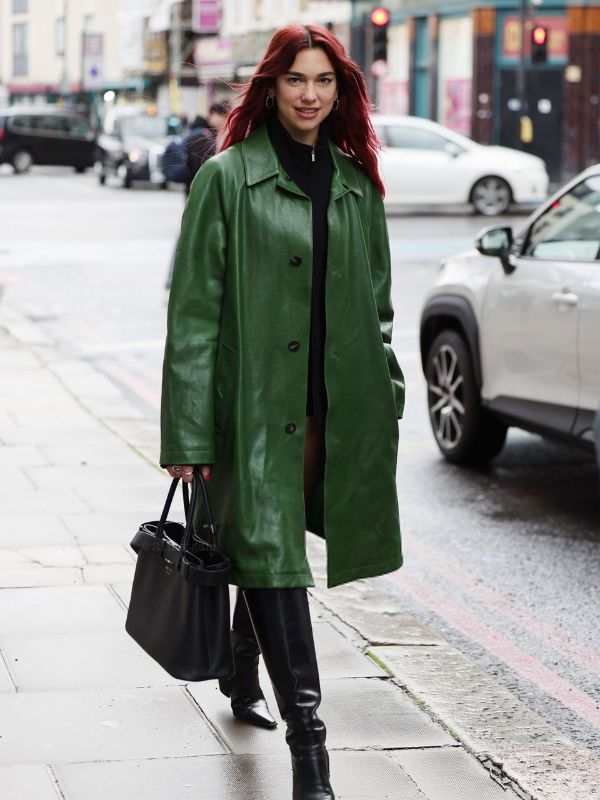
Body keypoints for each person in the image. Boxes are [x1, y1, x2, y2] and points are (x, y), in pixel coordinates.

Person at [160, 24, 405, 800]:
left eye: (324, 82)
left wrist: (388, 391)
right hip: (254, 416)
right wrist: (188, 434)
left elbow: (379, 307)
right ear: (269, 87)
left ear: (341, 93)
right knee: (273, 557)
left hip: (336, 416)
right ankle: (311, 751)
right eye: (296, 79)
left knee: (272, 554)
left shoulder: (358, 184)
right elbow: (193, 317)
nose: (309, 94)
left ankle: (241, 669)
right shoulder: (226, 180)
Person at [164, 102, 231, 291]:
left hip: (199, 196)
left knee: (194, 237)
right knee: (190, 237)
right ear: (211, 115)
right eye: (221, 115)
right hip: (196, 197)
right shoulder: (200, 138)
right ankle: (176, 280)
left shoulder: (211, 136)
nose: (223, 120)